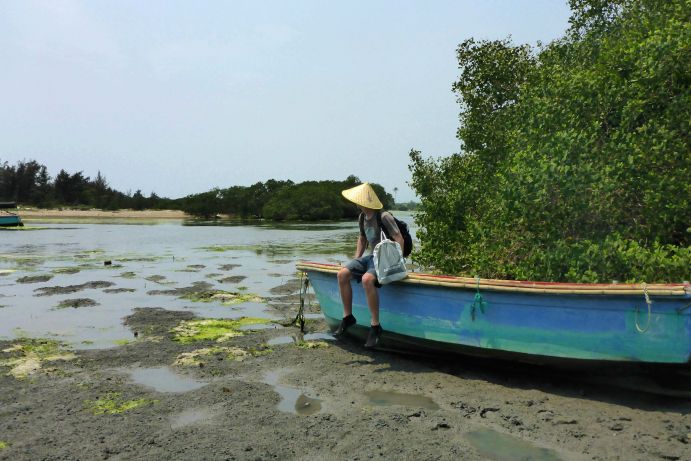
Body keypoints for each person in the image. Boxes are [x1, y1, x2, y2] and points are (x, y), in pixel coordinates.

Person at [335, 182, 405, 348]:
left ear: (364, 201)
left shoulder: (384, 216)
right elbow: (362, 239)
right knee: (342, 274)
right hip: (371, 256)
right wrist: (355, 261)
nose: (356, 203)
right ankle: (348, 317)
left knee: (367, 279)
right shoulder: (361, 217)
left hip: (385, 258)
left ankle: (375, 325)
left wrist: (396, 263)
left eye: (357, 200)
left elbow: (399, 238)